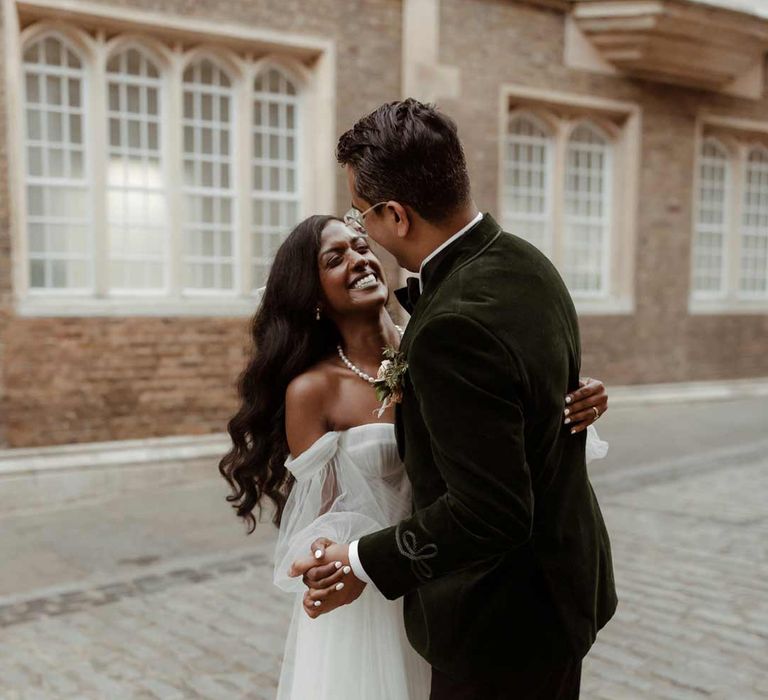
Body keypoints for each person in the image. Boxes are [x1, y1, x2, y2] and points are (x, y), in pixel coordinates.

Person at [290, 99, 617, 699]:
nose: (364, 237)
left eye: (361, 218)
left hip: (499, 623)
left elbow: (489, 512)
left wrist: (362, 561)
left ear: (396, 215)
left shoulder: (448, 327)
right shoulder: (528, 262)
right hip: (563, 592)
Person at [219, 213, 610, 699]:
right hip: (378, 590)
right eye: (335, 258)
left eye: (361, 246)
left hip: (462, 580)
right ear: (314, 297)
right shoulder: (313, 391)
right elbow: (321, 514)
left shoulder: (442, 341)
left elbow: (509, 440)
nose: (359, 259)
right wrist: (327, 561)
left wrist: (575, 402)